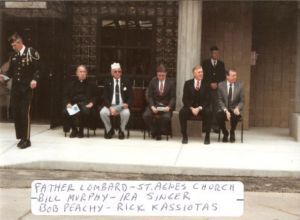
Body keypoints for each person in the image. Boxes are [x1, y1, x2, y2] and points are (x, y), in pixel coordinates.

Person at [0, 33, 40, 149]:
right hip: (16, 90)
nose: (13, 47)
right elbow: (11, 73)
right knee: (16, 113)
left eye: (14, 45)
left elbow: (38, 69)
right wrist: (3, 77)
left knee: (24, 113)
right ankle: (20, 136)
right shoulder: (14, 56)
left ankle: (26, 139)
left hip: (27, 89)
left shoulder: (31, 52)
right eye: (12, 45)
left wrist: (35, 79)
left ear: (20, 42)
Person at [179, 65, 212, 144]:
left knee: (209, 112)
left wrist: (199, 108)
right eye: (199, 72)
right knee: (182, 112)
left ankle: (207, 136)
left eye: (202, 72)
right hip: (190, 108)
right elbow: (185, 99)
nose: (201, 74)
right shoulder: (188, 83)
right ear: (194, 74)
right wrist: (191, 108)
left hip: (201, 108)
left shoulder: (206, 84)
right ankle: (184, 135)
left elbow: (208, 99)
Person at [143, 64, 176, 140]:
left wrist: (169, 106)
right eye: (159, 75)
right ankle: (154, 130)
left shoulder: (171, 83)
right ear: (157, 74)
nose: (161, 77)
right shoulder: (153, 81)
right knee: (146, 115)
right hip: (154, 105)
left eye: (163, 75)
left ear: (166, 74)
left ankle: (159, 132)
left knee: (166, 117)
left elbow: (173, 97)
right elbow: (150, 96)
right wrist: (152, 106)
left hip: (165, 106)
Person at [62, 65, 97, 138]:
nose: (82, 73)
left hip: (85, 104)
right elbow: (66, 96)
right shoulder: (71, 84)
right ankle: (74, 130)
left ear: (86, 73)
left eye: (84, 72)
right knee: (66, 111)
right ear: (77, 73)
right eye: (80, 72)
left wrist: (92, 103)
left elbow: (96, 96)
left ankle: (81, 130)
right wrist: (68, 103)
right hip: (75, 105)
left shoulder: (91, 84)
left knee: (85, 111)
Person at [100, 63, 132, 139]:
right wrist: (110, 107)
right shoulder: (107, 82)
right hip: (110, 105)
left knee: (126, 113)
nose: (117, 73)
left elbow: (130, 96)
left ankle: (121, 130)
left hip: (122, 105)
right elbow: (105, 97)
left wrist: (127, 104)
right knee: (102, 112)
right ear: (111, 73)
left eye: (119, 71)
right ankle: (110, 129)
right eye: (115, 71)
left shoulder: (126, 81)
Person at [202, 46, 226, 132]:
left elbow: (223, 77)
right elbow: (202, 76)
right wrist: (209, 84)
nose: (216, 54)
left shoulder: (221, 64)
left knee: (216, 107)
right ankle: (205, 126)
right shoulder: (205, 63)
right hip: (207, 89)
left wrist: (217, 84)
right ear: (211, 53)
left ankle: (215, 126)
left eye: (217, 53)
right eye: (214, 53)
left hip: (217, 89)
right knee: (207, 107)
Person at [217, 69, 244, 143]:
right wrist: (225, 110)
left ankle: (232, 131)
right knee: (218, 115)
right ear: (227, 76)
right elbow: (219, 100)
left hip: (234, 109)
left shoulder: (240, 86)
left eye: (236, 75)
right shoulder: (221, 85)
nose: (235, 77)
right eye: (233, 75)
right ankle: (225, 132)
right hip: (224, 109)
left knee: (236, 115)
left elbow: (242, 101)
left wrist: (238, 108)